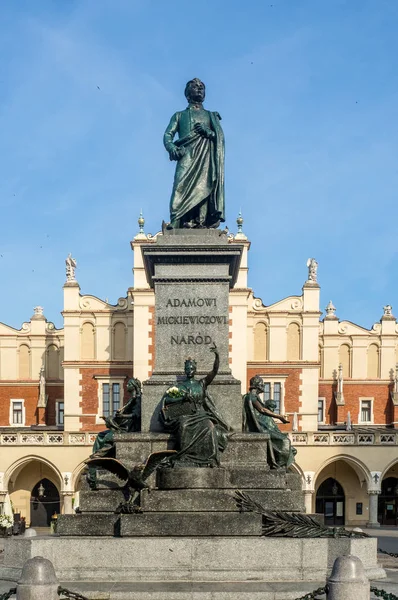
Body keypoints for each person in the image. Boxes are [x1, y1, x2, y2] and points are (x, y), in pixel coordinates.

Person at [163, 78, 225, 229]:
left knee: (204, 186)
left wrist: (208, 132)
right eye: (195, 87)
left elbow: (219, 138)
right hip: (186, 155)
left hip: (205, 157)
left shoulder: (211, 116)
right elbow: (167, 135)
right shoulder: (179, 115)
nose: (199, 89)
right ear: (187, 93)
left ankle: (201, 221)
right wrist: (172, 148)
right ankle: (176, 220)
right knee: (179, 186)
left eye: (202, 87)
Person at [161, 344, 230, 466]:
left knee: (209, 426)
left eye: (191, 368)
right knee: (183, 425)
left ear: (195, 369)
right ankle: (185, 455)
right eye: (187, 368)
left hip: (201, 414)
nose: (189, 370)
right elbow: (167, 400)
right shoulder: (179, 386)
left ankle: (210, 458)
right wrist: (182, 397)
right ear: (185, 370)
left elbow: (214, 371)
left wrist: (217, 356)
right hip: (186, 414)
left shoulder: (202, 383)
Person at [243, 375, 297, 469]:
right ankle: (279, 464)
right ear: (257, 385)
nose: (263, 386)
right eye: (262, 384)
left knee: (284, 440)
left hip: (261, 427)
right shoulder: (251, 396)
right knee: (285, 441)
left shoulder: (253, 396)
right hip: (258, 429)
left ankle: (280, 463)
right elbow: (262, 410)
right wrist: (279, 416)